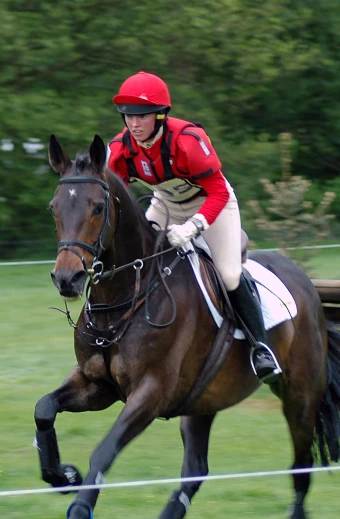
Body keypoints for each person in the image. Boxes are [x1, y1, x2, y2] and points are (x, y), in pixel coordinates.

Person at [107, 71, 281, 384]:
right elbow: (115, 196)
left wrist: (194, 226)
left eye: (142, 116)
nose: (134, 124)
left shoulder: (187, 140)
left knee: (228, 274)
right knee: (140, 261)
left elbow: (218, 191)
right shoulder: (121, 149)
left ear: (161, 115)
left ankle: (261, 347)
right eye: (128, 116)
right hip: (166, 205)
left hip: (212, 204)